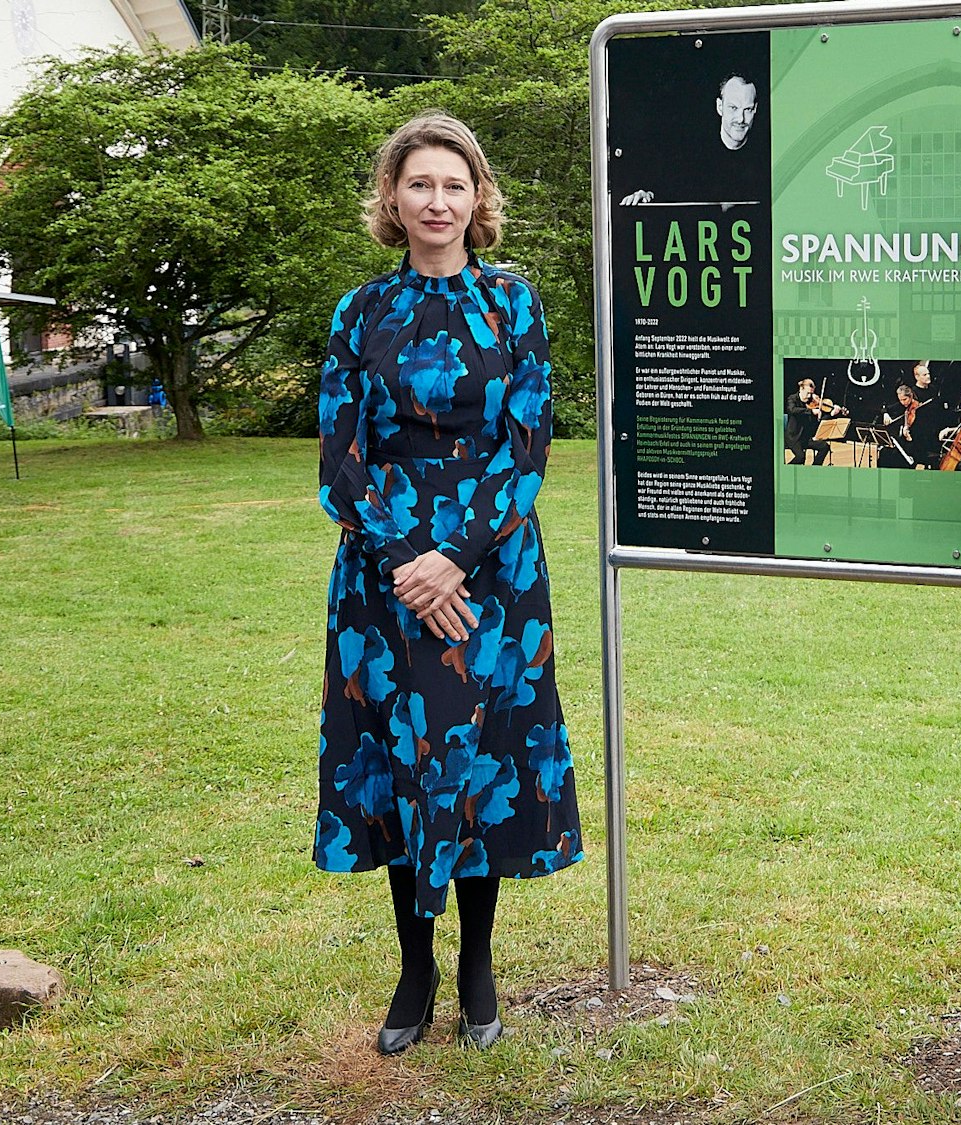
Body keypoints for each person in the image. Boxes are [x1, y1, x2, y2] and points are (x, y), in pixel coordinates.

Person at [313, 111, 581, 1057]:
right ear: (393, 198)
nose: (437, 201)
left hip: (491, 568)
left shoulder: (513, 304)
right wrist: (405, 562)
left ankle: (476, 962)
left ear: (478, 200)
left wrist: (455, 557)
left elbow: (529, 448)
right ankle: (414, 966)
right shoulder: (359, 313)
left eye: (454, 185)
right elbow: (340, 457)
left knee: (479, 761)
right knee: (398, 760)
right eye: (420, 184)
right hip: (383, 574)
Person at [617, 73, 765, 206]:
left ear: (755, 109)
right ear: (720, 107)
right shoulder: (691, 155)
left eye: (748, 109)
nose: (741, 119)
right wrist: (646, 197)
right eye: (733, 108)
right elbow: (666, 192)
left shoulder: (766, 158)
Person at [784, 377, 844, 466]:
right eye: (808, 393)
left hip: (805, 437)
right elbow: (792, 410)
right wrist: (811, 411)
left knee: (825, 447)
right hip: (794, 437)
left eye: (811, 393)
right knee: (801, 457)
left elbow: (820, 420)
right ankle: (787, 470)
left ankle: (814, 468)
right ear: (801, 389)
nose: (809, 396)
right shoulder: (792, 399)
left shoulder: (812, 402)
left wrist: (831, 413)